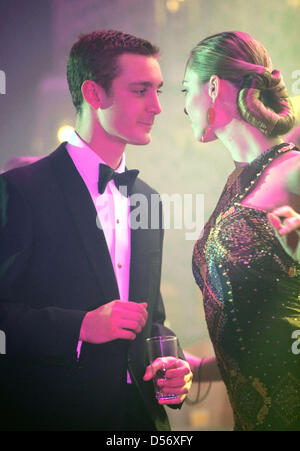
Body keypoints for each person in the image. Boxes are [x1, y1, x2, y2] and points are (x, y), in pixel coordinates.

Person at [0, 30, 192, 431]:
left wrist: (168, 359)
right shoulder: (21, 189)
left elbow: (150, 315)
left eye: (158, 90)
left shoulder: (150, 200)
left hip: (141, 419)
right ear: (93, 93)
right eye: (141, 91)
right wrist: (81, 326)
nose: (157, 106)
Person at [182, 31, 300, 431]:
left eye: (185, 90)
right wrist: (197, 368)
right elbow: (262, 331)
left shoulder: (294, 171)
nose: (183, 107)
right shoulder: (237, 181)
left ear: (213, 86)